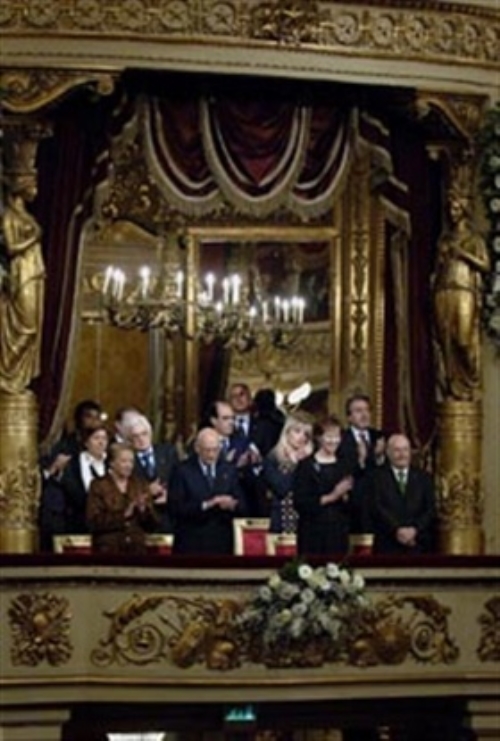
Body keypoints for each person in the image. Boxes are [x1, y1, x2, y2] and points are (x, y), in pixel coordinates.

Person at [433, 186, 490, 401]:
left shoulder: (474, 239)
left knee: (463, 340)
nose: (452, 212)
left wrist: (463, 254)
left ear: (465, 210)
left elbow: (485, 265)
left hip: (464, 290)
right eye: (450, 208)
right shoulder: (445, 238)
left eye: (457, 208)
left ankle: (469, 384)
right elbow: (437, 268)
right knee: (445, 340)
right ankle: (451, 387)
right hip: (443, 290)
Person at [0, 171, 45, 394]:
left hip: (34, 270)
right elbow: (10, 247)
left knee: (33, 327)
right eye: (31, 184)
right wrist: (34, 236)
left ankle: (13, 375)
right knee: (27, 327)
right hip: (22, 272)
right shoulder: (10, 215)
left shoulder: (25, 214)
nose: (35, 190)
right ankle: (6, 372)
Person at [170, 428, 246, 555]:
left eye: (215, 450)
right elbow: (175, 508)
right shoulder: (182, 471)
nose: (211, 455)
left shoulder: (229, 470)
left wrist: (232, 505)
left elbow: (243, 506)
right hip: (191, 544)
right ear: (197, 448)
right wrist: (207, 504)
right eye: (207, 450)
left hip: (221, 543)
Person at [294, 416, 353, 556]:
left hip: (338, 531)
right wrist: (333, 496)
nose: (334, 441)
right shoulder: (306, 466)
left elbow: (353, 502)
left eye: (337, 436)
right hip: (312, 533)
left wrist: (347, 497)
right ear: (319, 438)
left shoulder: (345, 465)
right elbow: (301, 503)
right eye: (329, 436)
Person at [368, 433, 436, 555]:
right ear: (388, 453)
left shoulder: (424, 478)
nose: (402, 455)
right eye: (397, 450)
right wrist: (397, 530)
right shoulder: (376, 478)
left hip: (418, 545)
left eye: (405, 450)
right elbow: (376, 507)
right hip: (387, 545)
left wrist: (414, 530)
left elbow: (430, 509)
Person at [86, 442, 159, 554]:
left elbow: (152, 525)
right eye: (124, 461)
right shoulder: (98, 485)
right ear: (112, 463)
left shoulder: (140, 485)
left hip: (136, 550)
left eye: (131, 461)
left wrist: (143, 510)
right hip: (108, 550)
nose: (128, 465)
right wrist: (124, 514)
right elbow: (94, 522)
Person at [337, 394, 385, 534]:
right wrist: (361, 461)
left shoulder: (379, 436)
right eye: (358, 411)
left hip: (378, 502)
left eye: (366, 410)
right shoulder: (340, 439)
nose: (364, 415)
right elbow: (342, 471)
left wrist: (379, 456)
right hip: (353, 503)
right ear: (349, 417)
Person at [261, 412, 313, 534]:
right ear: (287, 432)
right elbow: (282, 488)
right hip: (281, 522)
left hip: (306, 522)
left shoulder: (311, 461)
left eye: (306, 434)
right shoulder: (272, 459)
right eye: (297, 431)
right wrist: (293, 463)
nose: (302, 437)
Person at [128, 414, 178, 532]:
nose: (141, 439)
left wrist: (169, 495)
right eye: (136, 436)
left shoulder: (168, 452)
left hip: (168, 516)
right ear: (130, 440)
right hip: (141, 520)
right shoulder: (127, 460)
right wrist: (147, 492)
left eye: (144, 434)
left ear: (150, 434)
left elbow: (179, 480)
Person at [60, 425, 109, 534]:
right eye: (96, 438)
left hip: (107, 522)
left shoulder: (111, 462)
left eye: (104, 438)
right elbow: (71, 489)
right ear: (86, 442)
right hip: (79, 519)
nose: (101, 442)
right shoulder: (73, 463)